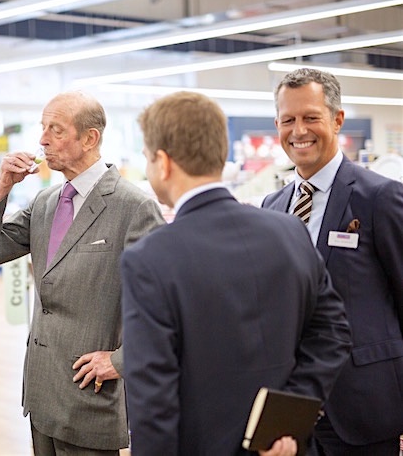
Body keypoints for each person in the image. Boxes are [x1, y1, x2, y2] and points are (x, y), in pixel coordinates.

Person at [120, 91, 352, 456]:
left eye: (148, 159)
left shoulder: (149, 260)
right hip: (282, 444)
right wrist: (286, 418)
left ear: (162, 163)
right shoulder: (290, 231)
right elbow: (333, 334)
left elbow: (153, 399)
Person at [0, 90, 165, 455]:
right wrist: (2, 187)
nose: (42, 139)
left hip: (92, 393)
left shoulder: (134, 207)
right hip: (42, 393)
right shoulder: (45, 203)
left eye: (55, 129)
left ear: (90, 138)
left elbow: (160, 304)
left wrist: (121, 360)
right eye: (43, 127)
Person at [262, 68, 403, 455]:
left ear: (337, 120)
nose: (298, 130)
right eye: (288, 120)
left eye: (311, 117)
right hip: (291, 411)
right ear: (277, 125)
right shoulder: (272, 208)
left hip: (365, 408)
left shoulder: (380, 199)